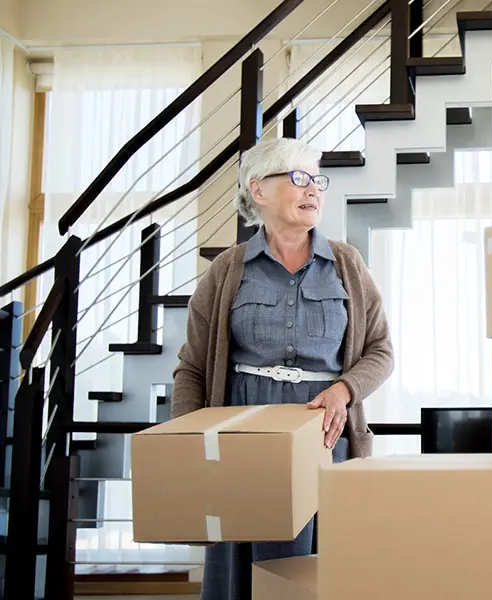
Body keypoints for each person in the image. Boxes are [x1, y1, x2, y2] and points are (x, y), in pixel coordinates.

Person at [170, 136, 394, 600]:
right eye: (297, 177)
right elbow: (191, 367)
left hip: (324, 438)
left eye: (316, 179)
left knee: (315, 572)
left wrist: (344, 391)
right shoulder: (227, 270)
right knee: (245, 571)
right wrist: (188, 446)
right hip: (240, 441)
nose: (312, 188)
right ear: (258, 190)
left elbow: (381, 351)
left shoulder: (347, 264)